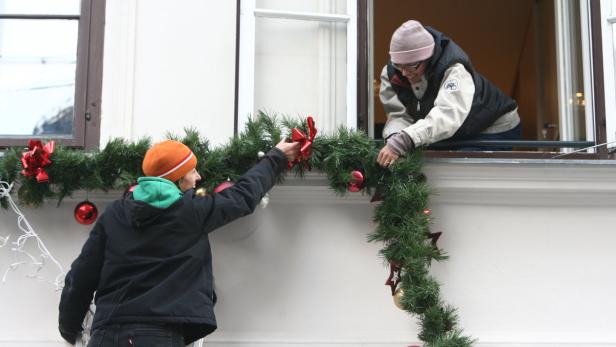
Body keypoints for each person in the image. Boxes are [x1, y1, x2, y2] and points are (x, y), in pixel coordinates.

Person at [59, 138, 299, 346]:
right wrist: (275, 158)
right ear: (177, 176)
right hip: (159, 335)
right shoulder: (191, 211)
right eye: (192, 170)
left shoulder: (115, 214)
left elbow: (81, 274)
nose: (198, 176)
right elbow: (242, 196)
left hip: (106, 334)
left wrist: (69, 329)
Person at [376, 20, 521, 167]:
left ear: (428, 57)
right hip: (458, 129)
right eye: (399, 65)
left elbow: (447, 115)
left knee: (459, 169)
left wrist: (406, 139)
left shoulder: (454, 69)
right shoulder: (391, 74)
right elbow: (398, 115)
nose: (405, 73)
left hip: (494, 126)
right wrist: (395, 138)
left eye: (412, 66)